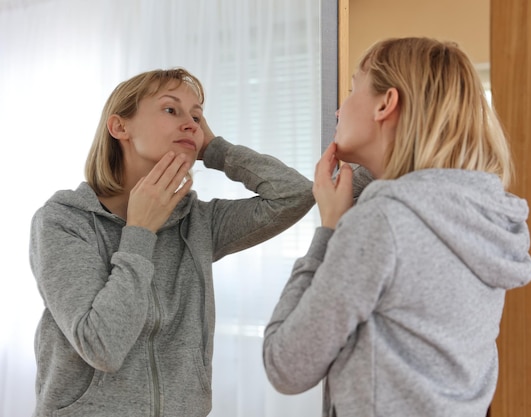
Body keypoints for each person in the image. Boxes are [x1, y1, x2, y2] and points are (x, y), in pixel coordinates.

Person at [263, 37, 531, 417]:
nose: (340, 110)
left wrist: (329, 229)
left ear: (385, 103)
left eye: (353, 88)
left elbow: (285, 365)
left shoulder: (382, 222)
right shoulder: (482, 216)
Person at [29, 68, 316, 417]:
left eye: (196, 116)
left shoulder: (198, 223)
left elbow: (296, 194)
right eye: (171, 109)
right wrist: (140, 232)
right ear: (120, 127)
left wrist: (215, 149)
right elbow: (101, 345)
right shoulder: (64, 221)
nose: (191, 123)